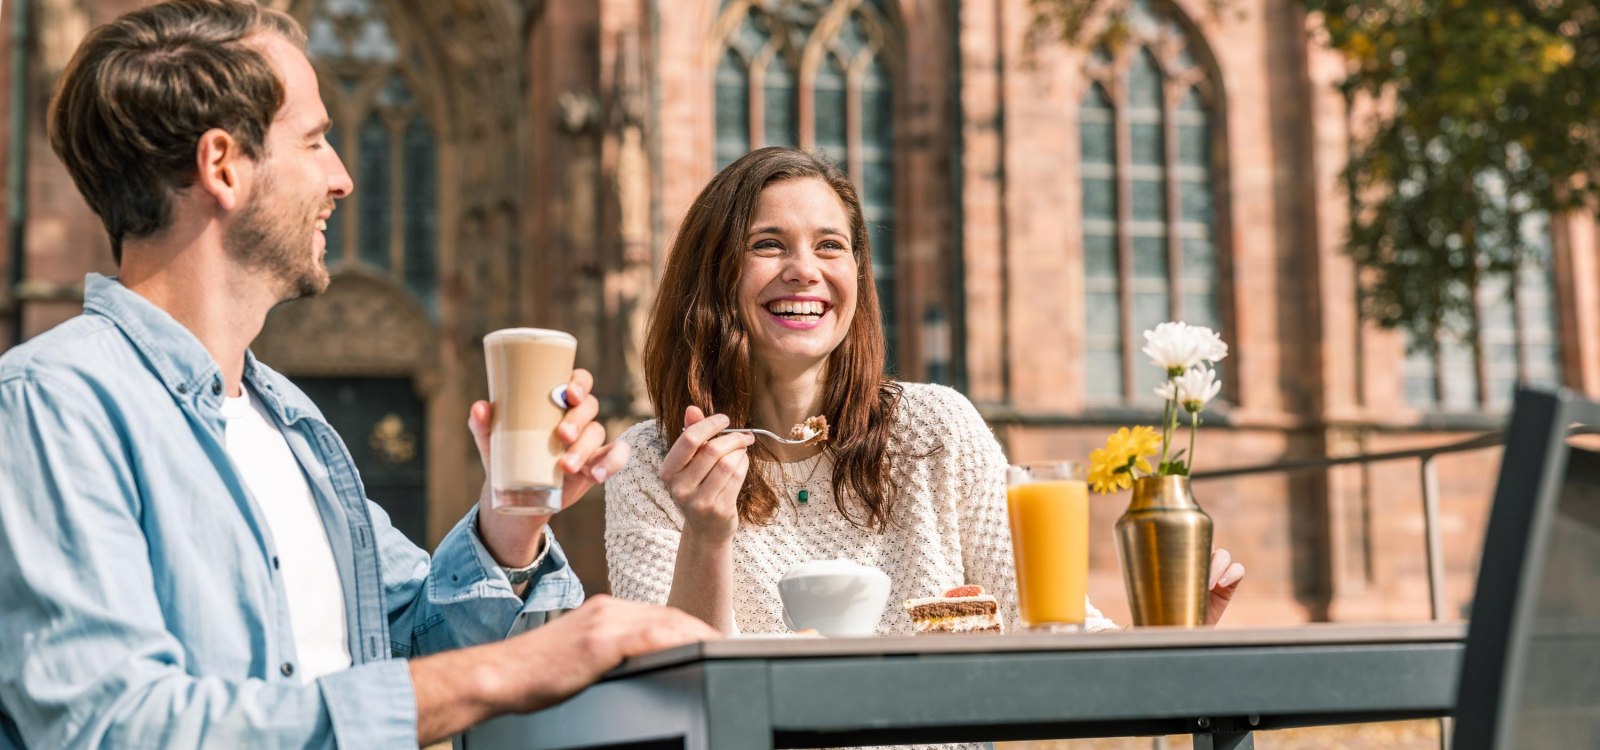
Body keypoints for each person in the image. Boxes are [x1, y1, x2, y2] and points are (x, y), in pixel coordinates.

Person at [0, 2, 716, 748]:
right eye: (314, 141)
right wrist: (505, 672)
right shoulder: (53, 408)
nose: (343, 178)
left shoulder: (291, 427)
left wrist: (510, 527)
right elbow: (117, 727)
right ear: (222, 166)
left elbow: (408, 642)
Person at [603, 146, 1244, 643]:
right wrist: (708, 535)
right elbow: (673, 691)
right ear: (712, 274)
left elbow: (1051, 629)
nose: (805, 269)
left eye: (831, 246)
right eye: (768, 245)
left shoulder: (933, 428)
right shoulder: (651, 463)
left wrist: (1173, 639)